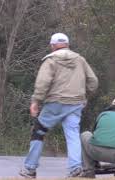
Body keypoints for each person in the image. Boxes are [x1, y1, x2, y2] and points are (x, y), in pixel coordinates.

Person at [19, 33, 98, 178]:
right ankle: (75, 168)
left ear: (53, 45)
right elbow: (93, 81)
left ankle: (30, 169)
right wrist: (85, 97)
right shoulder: (80, 60)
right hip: (75, 104)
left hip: (54, 104)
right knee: (73, 135)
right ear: (67, 44)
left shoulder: (50, 61)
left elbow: (43, 83)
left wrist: (36, 101)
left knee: (39, 131)